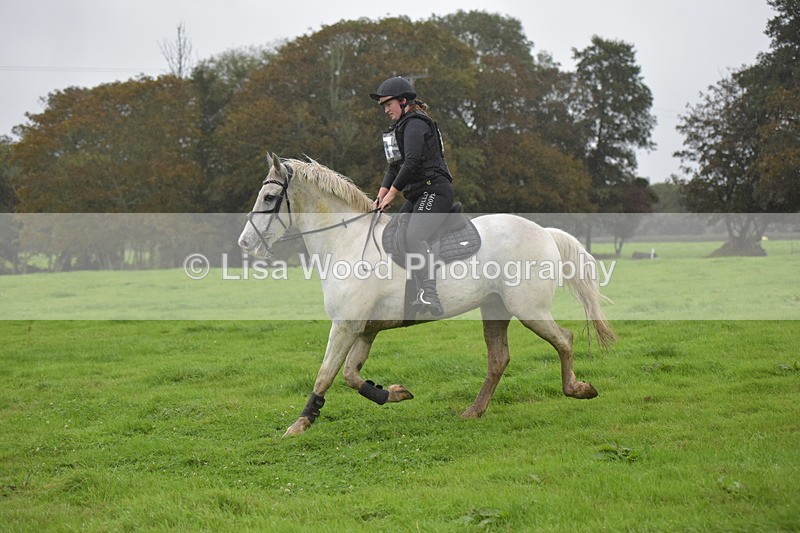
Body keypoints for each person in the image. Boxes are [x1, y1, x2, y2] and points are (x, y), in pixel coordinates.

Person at [371, 76, 454, 316]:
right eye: (383, 106)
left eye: (389, 104)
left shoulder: (415, 124)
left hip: (435, 191)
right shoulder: (397, 129)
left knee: (414, 235)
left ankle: (430, 295)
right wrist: (380, 197)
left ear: (404, 101)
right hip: (418, 194)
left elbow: (412, 162)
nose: (385, 110)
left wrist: (393, 195)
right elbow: (393, 167)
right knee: (393, 234)